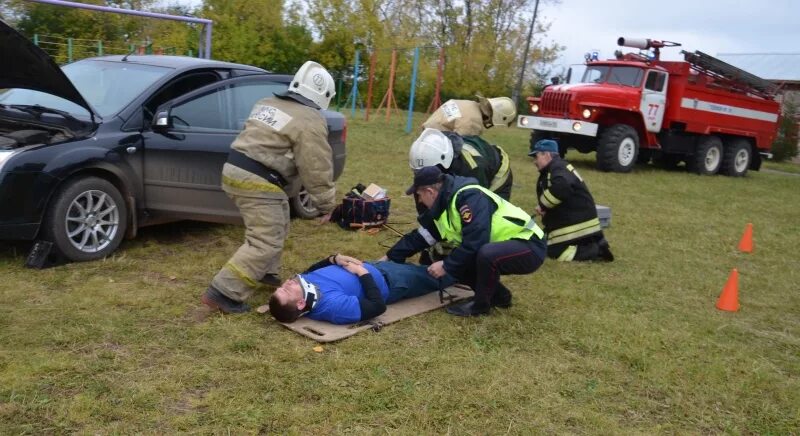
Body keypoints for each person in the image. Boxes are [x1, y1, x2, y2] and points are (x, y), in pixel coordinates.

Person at [202, 61, 338, 314]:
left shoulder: (268, 103)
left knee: (279, 221)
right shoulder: (310, 119)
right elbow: (316, 166)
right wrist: (327, 205)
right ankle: (223, 293)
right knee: (265, 240)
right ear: (324, 96)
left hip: (234, 169)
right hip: (258, 180)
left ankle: (267, 272)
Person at [383, 166, 547, 317]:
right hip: (508, 246)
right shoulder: (445, 206)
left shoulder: (469, 196)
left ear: (430, 191)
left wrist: (446, 266)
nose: (419, 201)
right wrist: (391, 255)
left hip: (529, 245)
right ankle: (499, 297)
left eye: (419, 195)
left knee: (482, 254)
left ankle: (480, 306)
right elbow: (421, 237)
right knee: (456, 259)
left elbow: (477, 239)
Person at [268, 254, 455, 324]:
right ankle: (471, 265)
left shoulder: (304, 287)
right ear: (301, 303)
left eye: (280, 287)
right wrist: (361, 272)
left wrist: (333, 259)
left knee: (424, 262)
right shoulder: (333, 308)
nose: (286, 283)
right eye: (286, 291)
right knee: (443, 273)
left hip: (376, 266)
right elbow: (377, 306)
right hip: (393, 281)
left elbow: (311, 271)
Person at [530, 139, 614, 262]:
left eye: (536, 157)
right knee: (541, 245)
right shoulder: (558, 167)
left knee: (555, 253)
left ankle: (595, 251)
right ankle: (591, 243)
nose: (534, 162)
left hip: (577, 225)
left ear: (546, 154)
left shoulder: (557, 168)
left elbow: (562, 187)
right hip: (577, 222)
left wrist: (543, 205)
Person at [409, 128, 513, 200]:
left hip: (497, 170)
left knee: (486, 212)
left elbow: (477, 201)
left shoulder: (471, 168)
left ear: (443, 163)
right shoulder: (432, 155)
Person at [422, 95, 517, 137]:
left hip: (429, 129)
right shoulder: (473, 121)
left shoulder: (469, 104)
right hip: (435, 139)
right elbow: (462, 147)